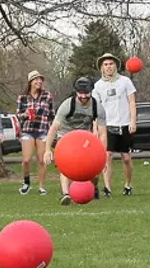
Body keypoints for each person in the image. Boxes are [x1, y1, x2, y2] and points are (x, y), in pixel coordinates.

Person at [44, 77, 107, 205]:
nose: (83, 96)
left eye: (86, 93)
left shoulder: (97, 107)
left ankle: (93, 188)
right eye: (80, 93)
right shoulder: (67, 105)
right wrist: (47, 150)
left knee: (93, 170)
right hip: (66, 137)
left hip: (85, 138)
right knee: (66, 166)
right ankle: (65, 194)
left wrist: (103, 156)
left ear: (91, 91)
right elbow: (54, 128)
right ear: (76, 92)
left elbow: (103, 134)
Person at [93, 53, 138, 197]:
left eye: (111, 64)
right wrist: (95, 128)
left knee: (126, 158)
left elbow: (131, 102)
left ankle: (128, 185)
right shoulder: (98, 86)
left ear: (116, 66)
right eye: (105, 64)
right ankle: (107, 188)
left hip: (124, 124)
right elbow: (96, 108)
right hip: (107, 125)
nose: (108, 67)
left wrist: (133, 121)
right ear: (102, 67)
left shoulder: (125, 81)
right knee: (107, 156)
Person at [16, 71, 53, 195]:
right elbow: (18, 115)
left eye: (40, 79)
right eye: (36, 80)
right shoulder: (23, 97)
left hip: (42, 130)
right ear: (30, 82)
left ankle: (42, 186)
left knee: (41, 160)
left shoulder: (47, 96)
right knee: (26, 159)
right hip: (28, 130)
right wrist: (26, 114)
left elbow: (51, 114)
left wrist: (52, 129)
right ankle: (26, 182)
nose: (39, 82)